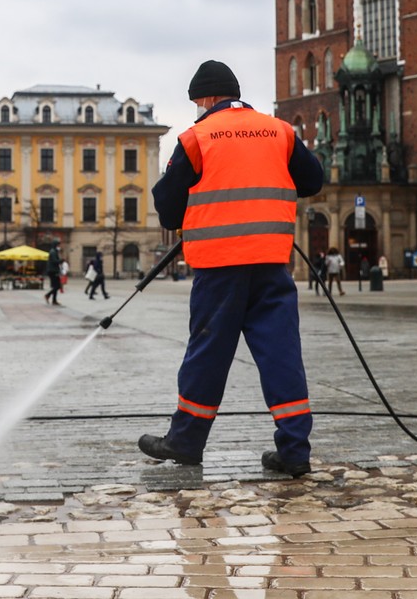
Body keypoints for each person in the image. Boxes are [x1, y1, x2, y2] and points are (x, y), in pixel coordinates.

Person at [139, 59, 326, 478]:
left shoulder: (196, 137)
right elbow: (313, 180)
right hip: (272, 264)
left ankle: (185, 442)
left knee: (207, 354)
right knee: (282, 355)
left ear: (204, 98)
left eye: (196, 104)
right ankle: (295, 450)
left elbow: (168, 210)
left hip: (219, 268)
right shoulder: (278, 130)